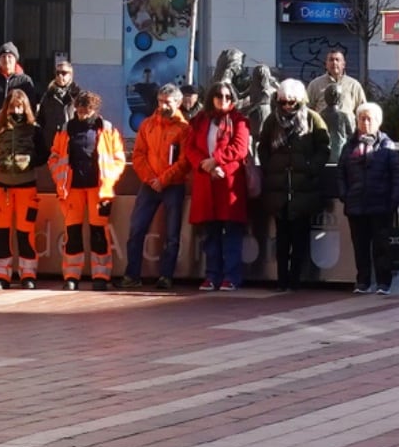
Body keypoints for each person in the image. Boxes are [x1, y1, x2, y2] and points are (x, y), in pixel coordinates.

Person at [261, 87, 338, 291]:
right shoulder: (272, 120)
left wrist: (312, 168)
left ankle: (295, 279)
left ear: (300, 100)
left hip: (303, 189)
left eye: (291, 102)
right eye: (283, 102)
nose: (287, 106)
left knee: (300, 238)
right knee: (282, 239)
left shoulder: (312, 118)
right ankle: (281, 280)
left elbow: (324, 147)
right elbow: (263, 147)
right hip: (279, 190)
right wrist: (270, 167)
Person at [188, 85, 260, 293]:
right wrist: (204, 165)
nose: (223, 99)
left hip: (229, 183)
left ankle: (231, 276)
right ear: (212, 97)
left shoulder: (239, 120)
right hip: (206, 181)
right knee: (210, 234)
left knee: (232, 233)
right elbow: (190, 148)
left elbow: (239, 148)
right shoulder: (200, 120)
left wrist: (216, 161)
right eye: (219, 96)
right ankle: (212, 275)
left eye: (228, 96)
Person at [124, 83, 193, 288]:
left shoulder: (184, 129)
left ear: (178, 103)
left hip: (173, 184)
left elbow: (184, 162)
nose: (163, 106)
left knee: (172, 234)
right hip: (149, 184)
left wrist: (163, 180)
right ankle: (132, 276)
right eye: (160, 101)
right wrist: (151, 178)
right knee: (136, 229)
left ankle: (166, 276)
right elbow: (138, 155)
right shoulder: (147, 125)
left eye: (167, 102)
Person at [0, 89, 53, 290]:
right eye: (12, 107)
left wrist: (31, 162)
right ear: (6, 108)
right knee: (1, 232)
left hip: (26, 185)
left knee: (26, 231)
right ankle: (2, 274)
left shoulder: (34, 129)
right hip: (1, 186)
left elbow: (45, 154)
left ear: (26, 108)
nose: (16, 111)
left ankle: (28, 273)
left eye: (20, 107)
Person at [55, 87, 121, 287]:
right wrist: (59, 178)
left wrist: (109, 179)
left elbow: (118, 158)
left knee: (99, 232)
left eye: (87, 110)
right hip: (72, 188)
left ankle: (101, 276)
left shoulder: (106, 128)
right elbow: (55, 156)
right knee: (72, 232)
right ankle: (71, 276)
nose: (83, 114)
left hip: (98, 189)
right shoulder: (66, 128)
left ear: (95, 109)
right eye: (80, 110)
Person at [339, 103, 399, 291]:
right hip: (356, 204)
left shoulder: (386, 145)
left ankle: (383, 282)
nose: (366, 123)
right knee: (360, 246)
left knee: (381, 246)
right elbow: (341, 173)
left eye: (370, 119)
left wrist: (394, 200)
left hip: (380, 204)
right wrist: (344, 195)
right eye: (362, 119)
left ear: (378, 121)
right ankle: (363, 281)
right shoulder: (349, 145)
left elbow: (397, 176)